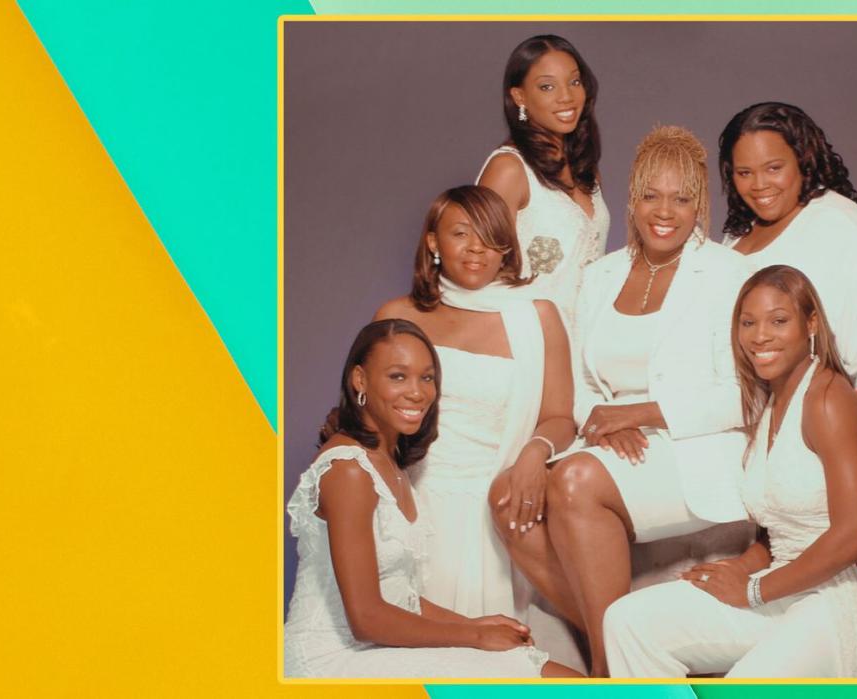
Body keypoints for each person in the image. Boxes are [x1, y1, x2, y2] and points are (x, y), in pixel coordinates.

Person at [489, 125, 749, 676]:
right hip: (610, 444)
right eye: (651, 195)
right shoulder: (600, 275)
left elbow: (747, 395)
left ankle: (611, 670)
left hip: (694, 447)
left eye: (682, 199)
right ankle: (622, 643)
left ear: (700, 203)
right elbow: (580, 381)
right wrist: (603, 423)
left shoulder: (728, 273)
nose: (665, 211)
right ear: (631, 197)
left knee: (575, 481)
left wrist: (643, 413)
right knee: (507, 499)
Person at [602, 265, 857, 678]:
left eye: (778, 320)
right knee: (626, 620)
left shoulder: (830, 398)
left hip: (845, 597)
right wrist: (745, 565)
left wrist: (753, 588)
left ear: (811, 323)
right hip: (783, 588)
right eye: (748, 322)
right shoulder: (771, 402)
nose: (760, 336)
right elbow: (779, 524)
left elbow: (854, 535)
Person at [284, 319, 580, 678]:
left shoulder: (390, 463)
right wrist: (473, 635)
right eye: (398, 376)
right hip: (331, 659)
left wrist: (478, 624)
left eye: (427, 378)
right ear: (360, 380)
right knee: (555, 680)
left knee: (549, 672)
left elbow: (397, 594)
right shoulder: (348, 469)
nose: (418, 393)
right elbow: (365, 617)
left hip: (374, 648)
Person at [717, 101, 857, 600]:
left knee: (844, 544)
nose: (760, 184)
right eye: (744, 172)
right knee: (769, 539)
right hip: (754, 416)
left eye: (774, 168)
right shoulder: (735, 236)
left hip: (821, 410)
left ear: (804, 159)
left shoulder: (839, 223)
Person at [374, 185, 575, 621]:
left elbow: (560, 417)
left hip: (498, 504)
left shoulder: (537, 317)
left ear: (506, 248)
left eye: (490, 236)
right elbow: (368, 418)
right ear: (433, 242)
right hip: (413, 500)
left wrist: (533, 454)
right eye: (461, 233)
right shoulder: (399, 316)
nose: (476, 248)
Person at [477, 34, 610, 325]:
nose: (566, 96)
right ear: (519, 97)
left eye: (574, 81)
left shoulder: (586, 171)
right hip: (526, 340)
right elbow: (476, 274)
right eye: (547, 86)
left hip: (585, 344)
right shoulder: (508, 169)